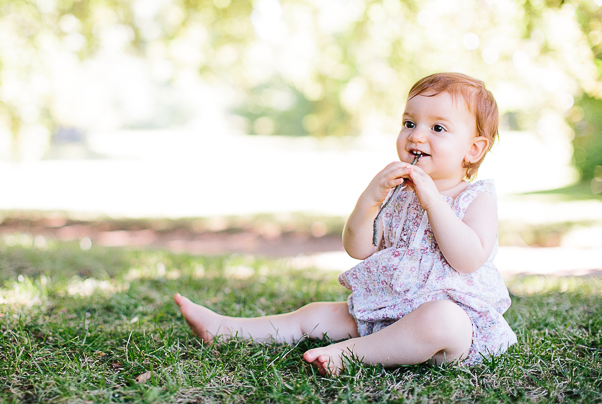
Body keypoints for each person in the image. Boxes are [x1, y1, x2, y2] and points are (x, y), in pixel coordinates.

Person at [174, 72, 517, 376]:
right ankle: (226, 329)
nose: (416, 136)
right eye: (409, 123)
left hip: (456, 330)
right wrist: (370, 199)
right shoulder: (400, 194)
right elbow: (359, 248)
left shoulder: (476, 197)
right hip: (390, 312)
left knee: (440, 319)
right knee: (315, 314)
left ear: (473, 149)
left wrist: (434, 202)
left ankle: (351, 355)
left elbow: (469, 258)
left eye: (438, 128)